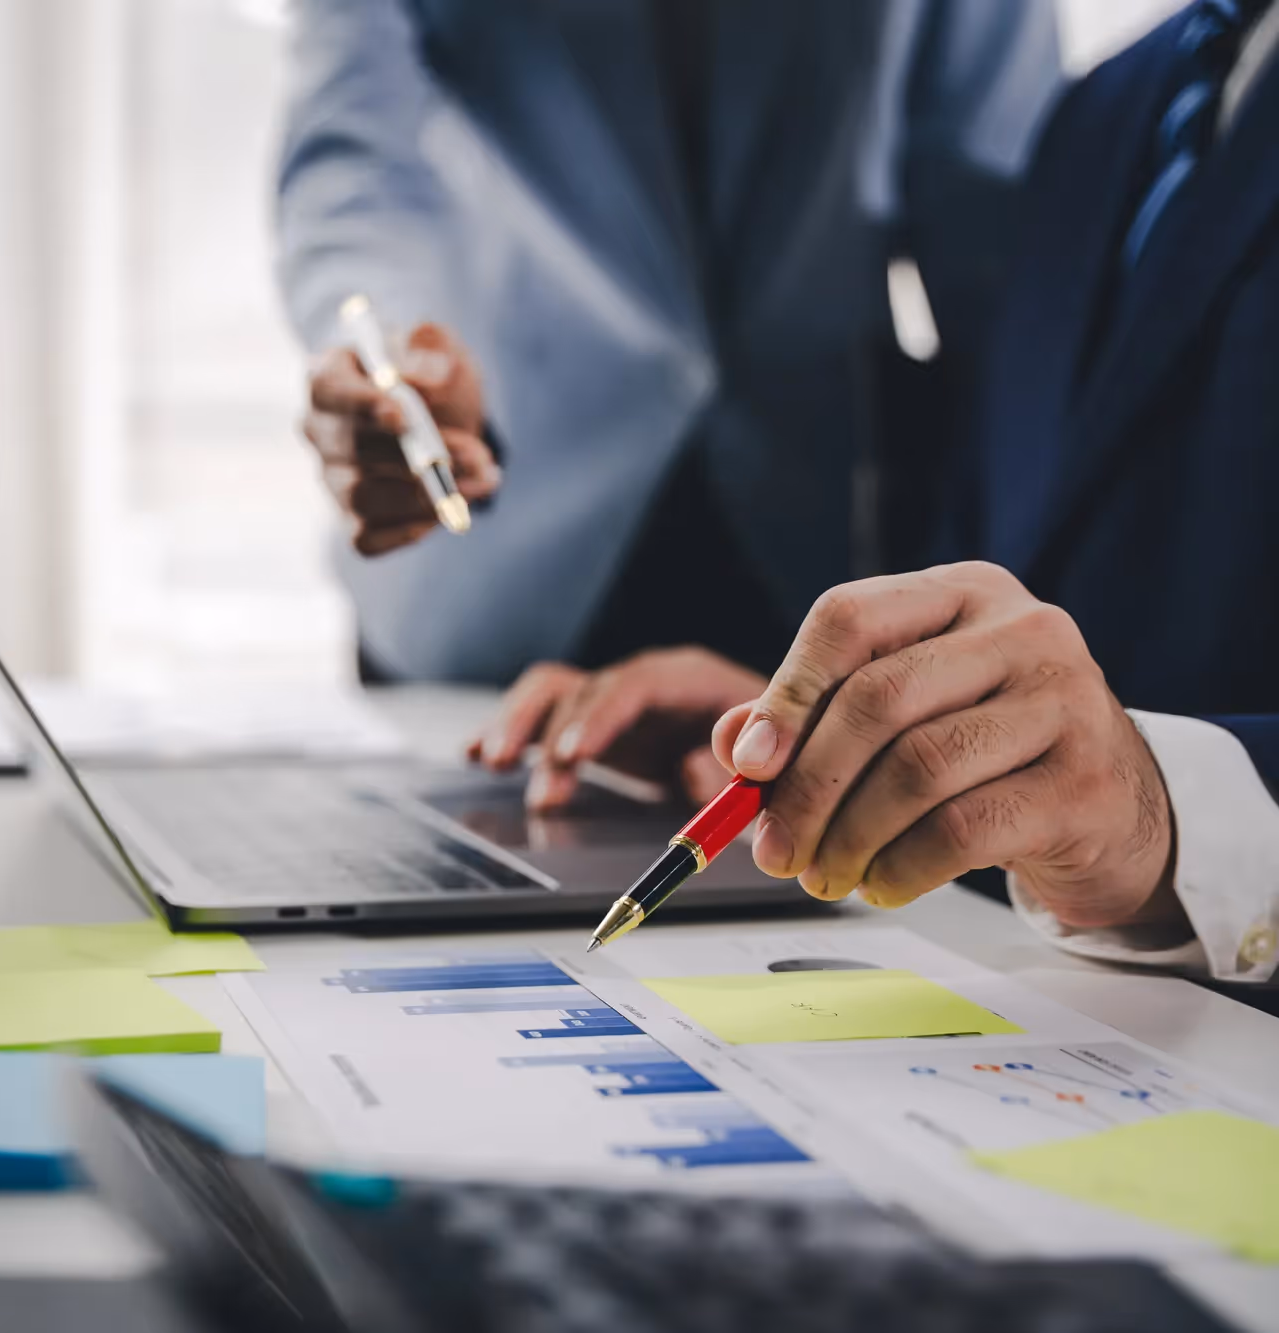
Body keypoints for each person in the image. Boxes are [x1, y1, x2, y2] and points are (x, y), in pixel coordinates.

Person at [479, 0, 1279, 986]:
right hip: (1052, 1001)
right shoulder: (1106, 107)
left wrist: (1171, 812)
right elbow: (1043, 563)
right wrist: (848, 738)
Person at [279, 0, 1065, 684]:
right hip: (495, 531)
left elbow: (1000, 241)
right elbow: (357, 165)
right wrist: (391, 357)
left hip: (827, 546)